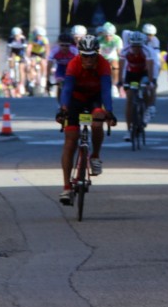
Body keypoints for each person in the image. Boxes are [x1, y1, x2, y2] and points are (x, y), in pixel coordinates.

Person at [57, 35, 117, 204]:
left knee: (98, 118)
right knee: (70, 141)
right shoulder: (74, 64)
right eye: (85, 55)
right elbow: (67, 89)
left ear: (97, 54)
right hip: (75, 100)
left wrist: (109, 112)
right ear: (79, 54)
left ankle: (95, 156)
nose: (88, 59)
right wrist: (63, 109)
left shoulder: (104, 64)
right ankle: (67, 187)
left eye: (92, 55)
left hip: (94, 99)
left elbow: (106, 90)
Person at [119, 30, 155, 133]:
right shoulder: (125, 51)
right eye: (133, 45)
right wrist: (120, 81)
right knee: (129, 99)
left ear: (142, 45)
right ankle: (128, 129)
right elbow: (121, 67)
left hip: (143, 73)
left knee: (145, 90)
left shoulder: (147, 51)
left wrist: (150, 81)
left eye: (138, 46)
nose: (135, 48)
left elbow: (150, 67)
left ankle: (147, 109)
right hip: (131, 74)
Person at [49, 32, 78, 100]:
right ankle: (60, 99)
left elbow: (79, 63)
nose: (64, 48)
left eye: (67, 46)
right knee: (60, 82)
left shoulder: (74, 50)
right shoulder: (54, 50)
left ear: (70, 45)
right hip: (60, 67)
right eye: (62, 45)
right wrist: (47, 79)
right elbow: (49, 64)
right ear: (58, 44)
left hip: (71, 67)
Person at [141, 23, 161, 117]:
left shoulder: (155, 41)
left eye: (152, 35)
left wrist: (154, 77)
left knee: (153, 85)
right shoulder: (139, 38)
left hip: (152, 63)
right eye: (147, 34)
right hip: (140, 63)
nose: (150, 37)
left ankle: (151, 105)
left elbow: (156, 60)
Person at [98, 22, 124, 92]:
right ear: (103, 34)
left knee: (115, 65)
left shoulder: (117, 39)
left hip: (112, 56)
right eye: (106, 35)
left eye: (110, 35)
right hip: (102, 57)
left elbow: (120, 53)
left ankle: (114, 85)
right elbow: (98, 53)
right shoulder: (99, 39)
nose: (108, 37)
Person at [26, 26, 50, 95]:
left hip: (41, 52)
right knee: (32, 64)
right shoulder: (32, 38)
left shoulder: (45, 39)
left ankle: (43, 77)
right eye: (38, 36)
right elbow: (29, 48)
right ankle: (32, 79)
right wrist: (28, 57)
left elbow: (47, 48)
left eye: (41, 36)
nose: (39, 37)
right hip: (34, 52)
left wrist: (47, 57)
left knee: (43, 64)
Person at [6, 27, 27, 96]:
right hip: (13, 52)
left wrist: (25, 57)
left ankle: (22, 84)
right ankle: (12, 74)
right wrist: (9, 58)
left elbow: (25, 48)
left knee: (21, 68)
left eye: (17, 35)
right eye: (15, 36)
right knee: (11, 58)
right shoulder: (10, 39)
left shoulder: (23, 38)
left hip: (21, 52)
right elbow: (8, 49)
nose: (16, 37)